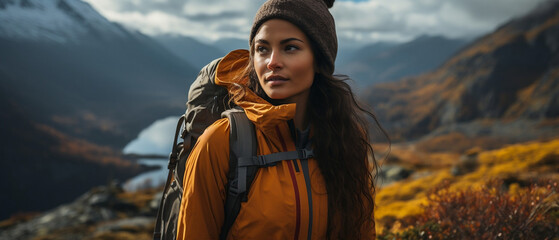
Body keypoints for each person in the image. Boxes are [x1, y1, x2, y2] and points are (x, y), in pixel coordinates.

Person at [177, 0, 386, 239]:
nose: (272, 61)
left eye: (290, 48)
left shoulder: (347, 139)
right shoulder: (221, 142)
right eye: (262, 49)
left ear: (319, 60)